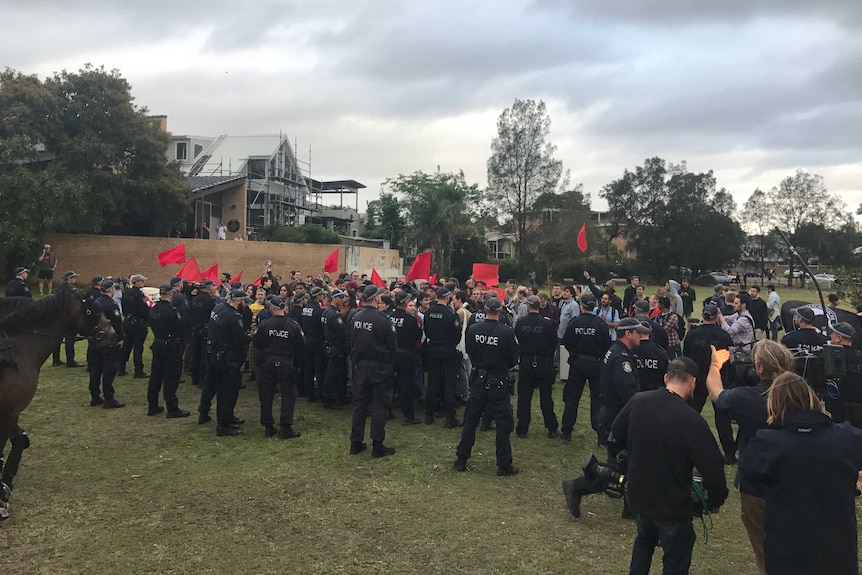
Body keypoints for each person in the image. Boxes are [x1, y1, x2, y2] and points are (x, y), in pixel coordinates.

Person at [613, 357, 728, 575]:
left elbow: (616, 435)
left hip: (639, 496)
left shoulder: (638, 401)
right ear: (693, 382)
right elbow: (712, 466)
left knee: (644, 541)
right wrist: (714, 499)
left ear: (666, 378)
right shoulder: (691, 419)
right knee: (676, 555)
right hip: (672, 503)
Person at [739, 372, 862, 575]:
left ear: (775, 403)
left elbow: (749, 475)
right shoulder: (846, 437)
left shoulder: (767, 443)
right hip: (837, 546)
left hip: (788, 547)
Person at [707, 339, 794, 575]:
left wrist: (715, 365)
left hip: (757, 483)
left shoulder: (748, 397)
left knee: (764, 548)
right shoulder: (801, 394)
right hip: (795, 480)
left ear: (759, 368)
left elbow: (716, 392)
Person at [454, 298, 520, 476]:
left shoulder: (474, 329)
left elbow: (471, 351)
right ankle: (504, 464)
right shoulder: (506, 332)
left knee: (471, 420)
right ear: (500, 311)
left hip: (479, 379)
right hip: (498, 381)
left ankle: (461, 458)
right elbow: (513, 359)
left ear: (484, 309)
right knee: (503, 423)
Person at [682, 304, 737, 463]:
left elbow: (686, 356)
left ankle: (682, 441)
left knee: (690, 412)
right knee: (722, 417)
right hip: (718, 379)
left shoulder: (692, 335)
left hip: (697, 378)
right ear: (715, 317)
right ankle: (729, 453)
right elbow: (729, 359)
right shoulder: (724, 336)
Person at [348, 285, 397, 458]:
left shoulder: (355, 316)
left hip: (360, 365)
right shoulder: (383, 320)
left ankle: (355, 441)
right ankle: (377, 444)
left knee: (360, 405)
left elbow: (351, 339)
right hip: (379, 367)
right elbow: (392, 346)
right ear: (376, 298)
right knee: (379, 406)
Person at [561, 294, 611, 442]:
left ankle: (566, 431)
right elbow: (606, 345)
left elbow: (567, 342)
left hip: (577, 363)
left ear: (582, 306)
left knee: (572, 398)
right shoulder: (601, 324)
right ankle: (601, 433)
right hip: (596, 364)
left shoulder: (574, 323)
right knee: (597, 399)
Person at [253, 295, 305, 438]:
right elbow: (301, 344)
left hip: (267, 363)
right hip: (286, 363)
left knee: (266, 395)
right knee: (288, 395)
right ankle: (285, 426)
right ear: (284, 308)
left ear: (271, 308)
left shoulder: (264, 325)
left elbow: (257, 342)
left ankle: (268, 425)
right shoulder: (293, 325)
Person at [208, 289, 254, 436]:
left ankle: (226, 417)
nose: (245, 305)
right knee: (229, 391)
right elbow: (240, 338)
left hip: (217, 353)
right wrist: (252, 336)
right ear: (238, 301)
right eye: (244, 302)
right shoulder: (234, 317)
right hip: (229, 357)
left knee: (222, 390)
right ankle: (224, 425)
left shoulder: (218, 308)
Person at [514, 296, 559, 439]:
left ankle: (522, 428)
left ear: (528, 306)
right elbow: (553, 344)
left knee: (524, 396)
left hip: (526, 361)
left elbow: (517, 341)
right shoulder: (547, 325)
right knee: (546, 396)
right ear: (539, 306)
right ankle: (551, 427)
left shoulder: (521, 323)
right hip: (543, 362)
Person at [146, 285, 190, 419]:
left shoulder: (154, 309)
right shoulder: (172, 310)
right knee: (171, 377)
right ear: (170, 294)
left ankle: (152, 405)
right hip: (171, 346)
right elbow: (179, 328)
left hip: (158, 343)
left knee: (156, 376)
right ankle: (172, 408)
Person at [422, 287, 462, 428]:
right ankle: (450, 416)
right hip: (447, 349)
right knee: (449, 383)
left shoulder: (429, 312)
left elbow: (426, 330)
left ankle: (429, 414)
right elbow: (457, 335)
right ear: (447, 297)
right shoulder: (451, 314)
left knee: (433, 382)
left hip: (433, 349)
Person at [89, 279, 125, 409]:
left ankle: (95, 396)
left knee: (95, 370)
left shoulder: (95, 303)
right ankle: (109, 398)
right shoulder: (111, 304)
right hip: (108, 341)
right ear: (111, 290)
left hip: (95, 340)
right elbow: (117, 323)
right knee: (109, 370)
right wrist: (120, 336)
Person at [390, 291, 423, 425]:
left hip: (393, 353)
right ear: (404, 303)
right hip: (407, 354)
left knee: (390, 383)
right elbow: (417, 336)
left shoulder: (390, 317)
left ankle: (387, 409)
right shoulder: (410, 319)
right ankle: (408, 415)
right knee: (406, 385)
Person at [321, 289, 349, 409]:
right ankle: (328, 398)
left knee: (333, 372)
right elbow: (341, 331)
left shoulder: (326, 312)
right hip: (336, 346)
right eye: (341, 297)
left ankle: (336, 397)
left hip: (329, 344)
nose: (343, 299)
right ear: (335, 298)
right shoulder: (334, 314)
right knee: (333, 374)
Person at [119, 274, 150, 378]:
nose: (143, 283)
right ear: (136, 282)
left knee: (126, 346)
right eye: (141, 281)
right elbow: (143, 310)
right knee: (137, 348)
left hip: (127, 321)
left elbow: (123, 307)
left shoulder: (126, 293)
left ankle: (121, 368)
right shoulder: (138, 294)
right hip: (137, 323)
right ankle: (138, 370)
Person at [51, 271, 84, 368]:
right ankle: (70, 361)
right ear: (69, 279)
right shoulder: (71, 290)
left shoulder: (59, 289)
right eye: (73, 278)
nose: (75, 280)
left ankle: (56, 360)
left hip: (59, 319)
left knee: (58, 340)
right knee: (70, 340)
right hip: (68, 319)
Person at [300, 287, 326, 402]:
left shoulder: (305, 308)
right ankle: (320, 393)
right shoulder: (319, 310)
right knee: (319, 369)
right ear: (318, 296)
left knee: (308, 369)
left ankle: (309, 394)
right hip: (316, 341)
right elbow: (321, 327)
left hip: (306, 340)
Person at [631, 315, 668, 393]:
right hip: (655, 394)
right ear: (650, 329)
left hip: (635, 394)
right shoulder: (660, 352)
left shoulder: (629, 350)